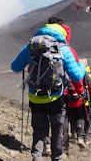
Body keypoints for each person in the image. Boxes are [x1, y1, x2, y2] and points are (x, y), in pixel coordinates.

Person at [11, 17, 86, 161]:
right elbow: (76, 77)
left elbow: (15, 67)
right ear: (62, 31)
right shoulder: (64, 49)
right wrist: (82, 65)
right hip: (56, 98)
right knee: (58, 131)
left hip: (35, 97)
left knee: (39, 130)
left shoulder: (31, 46)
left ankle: (36, 157)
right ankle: (57, 158)